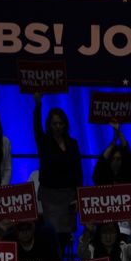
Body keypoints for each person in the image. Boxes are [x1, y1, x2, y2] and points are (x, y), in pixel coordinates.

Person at [33, 95, 83, 244]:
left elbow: (78, 171)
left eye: (60, 123)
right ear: (49, 124)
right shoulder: (44, 142)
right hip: (50, 195)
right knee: (52, 236)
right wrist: (38, 105)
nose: (57, 126)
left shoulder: (72, 143)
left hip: (69, 195)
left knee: (66, 237)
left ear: (65, 124)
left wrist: (79, 195)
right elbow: (36, 127)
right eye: (54, 123)